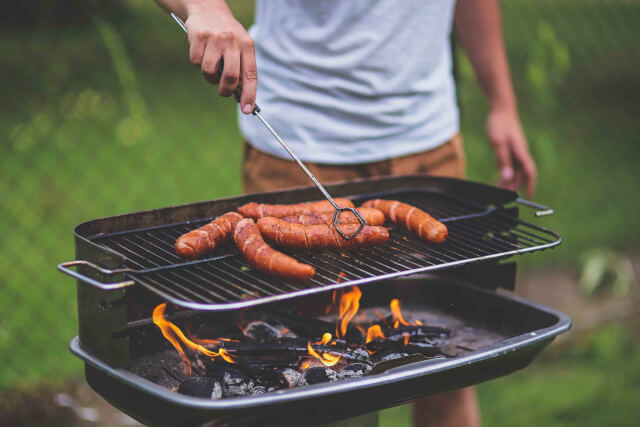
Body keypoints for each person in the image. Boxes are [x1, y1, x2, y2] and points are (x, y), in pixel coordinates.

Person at [156, 1, 536, 425]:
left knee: (445, 366)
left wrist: (502, 103)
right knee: (312, 384)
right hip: (296, 144)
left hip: (427, 141)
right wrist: (204, 7)